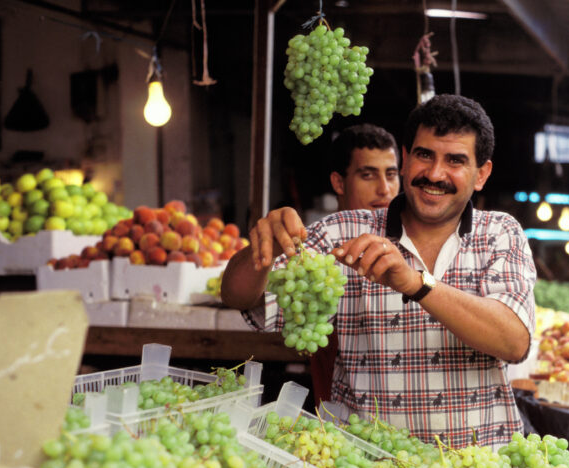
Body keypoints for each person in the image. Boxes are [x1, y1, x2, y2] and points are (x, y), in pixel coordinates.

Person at [222, 94, 536, 448]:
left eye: (455, 161)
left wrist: (416, 283)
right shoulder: (340, 231)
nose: (434, 173)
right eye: (424, 155)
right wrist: (262, 250)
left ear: (481, 174)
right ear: (404, 159)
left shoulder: (499, 233)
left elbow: (514, 341)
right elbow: (239, 297)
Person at [310, 124, 401, 404]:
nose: (384, 189)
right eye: (368, 175)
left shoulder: (405, 252)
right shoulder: (318, 254)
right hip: (340, 421)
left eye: (391, 175)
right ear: (339, 183)